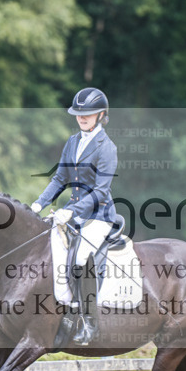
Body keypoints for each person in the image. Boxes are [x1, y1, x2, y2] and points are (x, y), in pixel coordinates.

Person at [30, 87, 120, 347]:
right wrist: (38, 204)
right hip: (72, 213)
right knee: (52, 253)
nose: (82, 118)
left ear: (101, 114)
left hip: (99, 215)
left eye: (88, 114)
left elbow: (101, 190)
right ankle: (65, 316)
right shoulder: (72, 142)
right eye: (78, 114)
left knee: (81, 258)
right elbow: (60, 178)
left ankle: (90, 323)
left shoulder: (107, 148)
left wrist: (72, 210)